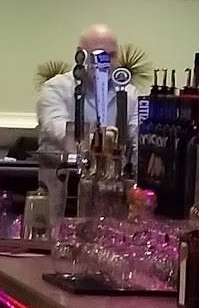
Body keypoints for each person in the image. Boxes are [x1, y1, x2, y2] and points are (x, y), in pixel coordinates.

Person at [36, 25, 139, 206]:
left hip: (111, 195)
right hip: (61, 192)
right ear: (80, 55)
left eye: (112, 55)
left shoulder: (129, 94)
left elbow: (138, 137)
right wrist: (104, 141)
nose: (105, 62)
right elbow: (58, 129)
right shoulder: (55, 88)